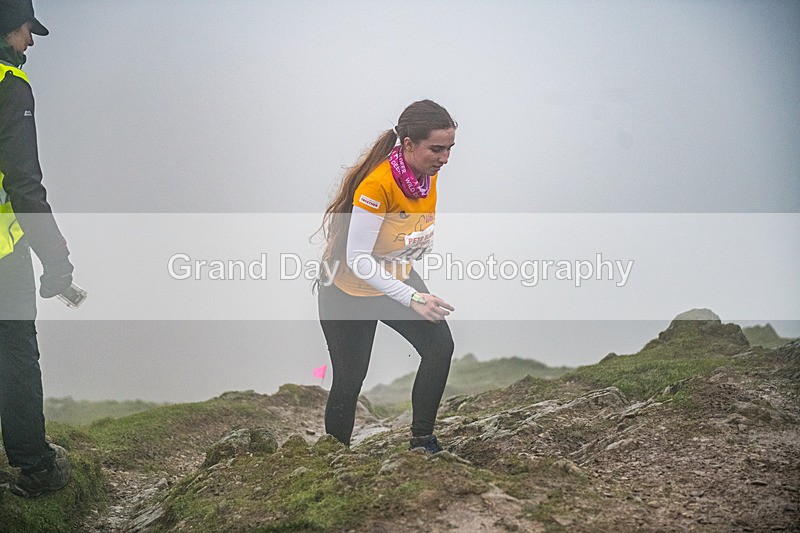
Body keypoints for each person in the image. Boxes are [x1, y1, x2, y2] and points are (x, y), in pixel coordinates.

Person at [316, 99, 457, 453]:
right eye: (436, 149)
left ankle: (423, 442)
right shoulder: (377, 186)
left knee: (440, 348)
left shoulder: (425, 176)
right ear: (408, 144)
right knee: (349, 382)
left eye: (450, 149)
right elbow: (358, 259)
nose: (444, 158)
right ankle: (333, 460)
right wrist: (412, 297)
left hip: (393, 277)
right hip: (346, 293)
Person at [0, 0, 73, 497]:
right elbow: (25, 185)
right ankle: (36, 467)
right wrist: (56, 258)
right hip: (3, 255)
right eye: (29, 31)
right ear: (9, 28)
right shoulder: (10, 86)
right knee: (15, 349)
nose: (30, 42)